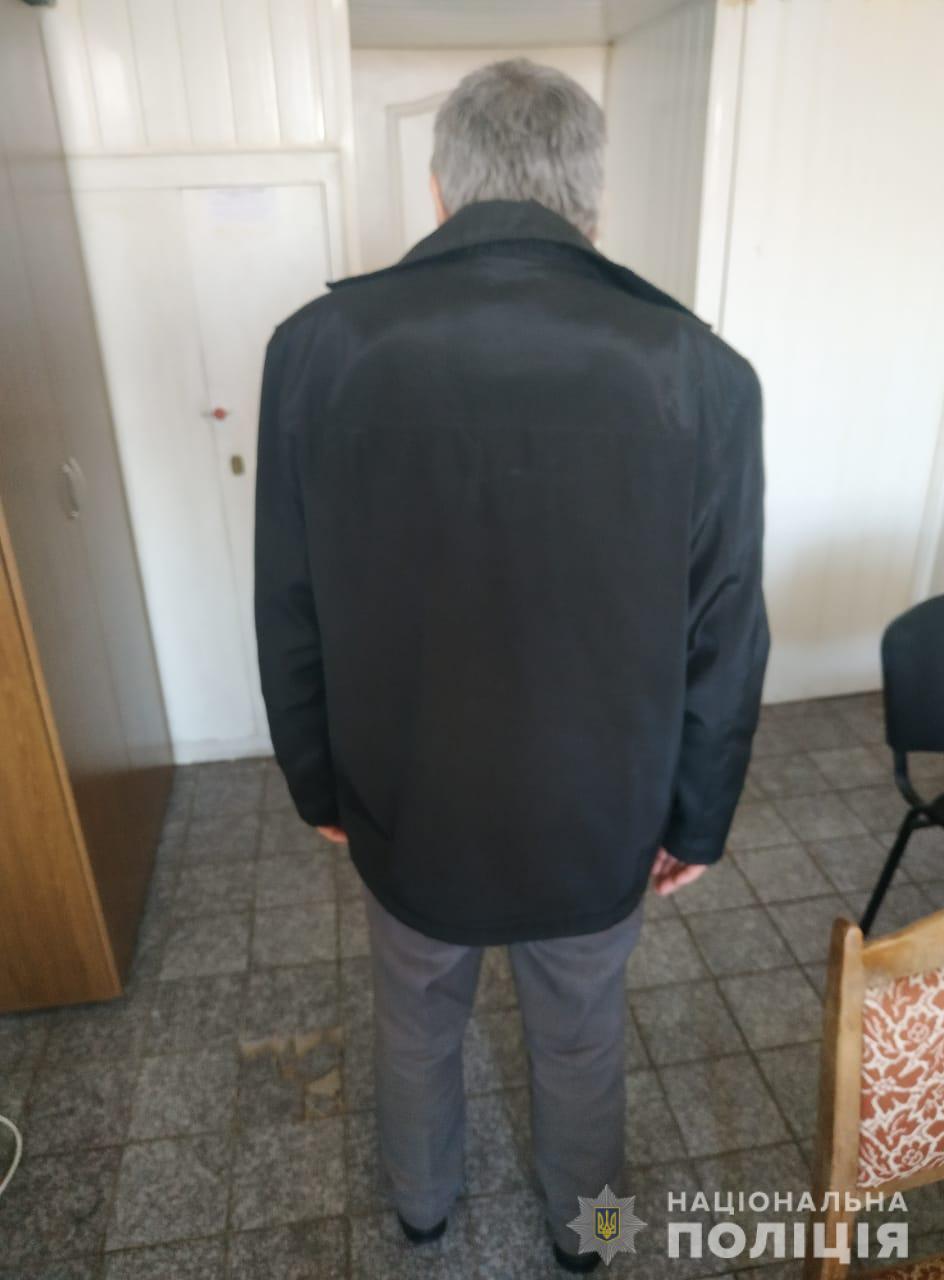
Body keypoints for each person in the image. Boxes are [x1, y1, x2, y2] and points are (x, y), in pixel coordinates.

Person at [255, 57, 769, 1274]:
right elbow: (725, 625)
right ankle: (590, 1234)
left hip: (407, 793)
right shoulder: (702, 370)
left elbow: (289, 598)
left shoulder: (315, 349)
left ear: (442, 186)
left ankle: (421, 1208)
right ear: (591, 198)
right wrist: (697, 816)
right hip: (597, 807)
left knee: (415, 1012)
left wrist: (317, 781)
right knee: (584, 1034)